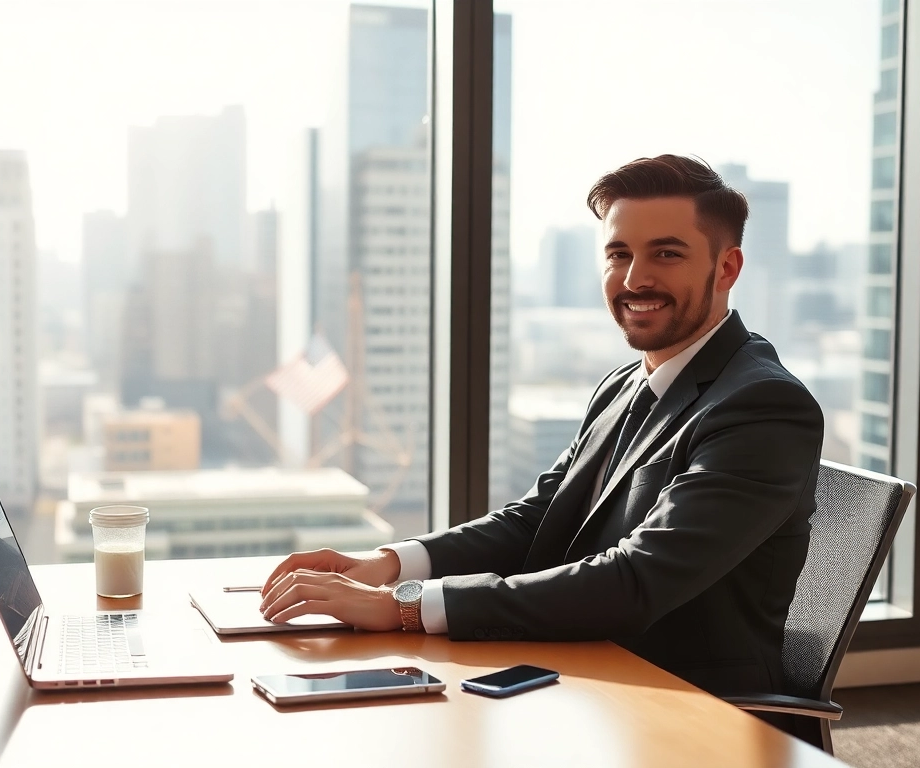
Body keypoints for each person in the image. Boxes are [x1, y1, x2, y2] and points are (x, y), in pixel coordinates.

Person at [258, 154, 824, 699]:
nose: (634, 279)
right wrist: (387, 566)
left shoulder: (762, 405)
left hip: (685, 701)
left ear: (727, 267)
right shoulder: (626, 383)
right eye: (618, 254)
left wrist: (404, 605)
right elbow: (535, 520)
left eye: (666, 254)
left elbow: (637, 580)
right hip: (580, 670)